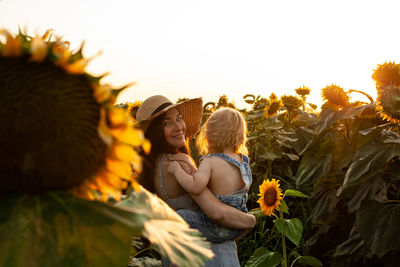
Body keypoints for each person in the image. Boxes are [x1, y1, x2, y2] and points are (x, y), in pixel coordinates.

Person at [136, 95, 256, 266]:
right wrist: (250, 220)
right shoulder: (180, 162)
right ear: (154, 131)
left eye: (179, 118)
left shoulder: (151, 167)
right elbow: (217, 212)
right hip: (212, 255)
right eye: (167, 123)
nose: (179, 127)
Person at [167, 107, 251, 243]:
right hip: (238, 226)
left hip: (217, 227)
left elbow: (195, 186)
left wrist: (177, 170)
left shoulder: (210, 161)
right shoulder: (243, 161)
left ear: (210, 134)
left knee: (179, 216)